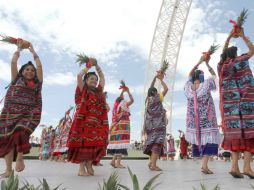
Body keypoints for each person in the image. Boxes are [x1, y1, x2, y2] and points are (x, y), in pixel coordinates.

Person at [0, 43, 43, 178]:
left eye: (32, 70)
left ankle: (20, 157)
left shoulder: (37, 83)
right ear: (21, 72)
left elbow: (40, 66)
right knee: (8, 140)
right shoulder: (16, 79)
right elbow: (13, 62)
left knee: (20, 131)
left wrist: (33, 52)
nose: (29, 71)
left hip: (29, 113)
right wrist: (18, 49)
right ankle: (8, 170)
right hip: (10, 113)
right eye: (26, 70)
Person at [218, 28, 254, 178]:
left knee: (235, 137)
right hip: (245, 105)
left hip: (230, 109)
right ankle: (246, 167)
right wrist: (243, 36)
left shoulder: (222, 66)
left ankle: (234, 167)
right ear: (235, 54)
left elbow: (223, 51)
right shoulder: (240, 61)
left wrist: (229, 36)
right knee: (250, 137)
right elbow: (252, 51)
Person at [67, 58, 108, 176]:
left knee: (95, 144)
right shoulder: (82, 89)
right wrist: (89, 66)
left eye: (95, 80)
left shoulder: (99, 91)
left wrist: (98, 67)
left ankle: (89, 165)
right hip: (83, 123)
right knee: (82, 144)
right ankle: (81, 168)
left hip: (97, 123)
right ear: (86, 81)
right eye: (91, 79)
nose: (94, 81)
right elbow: (79, 75)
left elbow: (103, 79)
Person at [184, 55, 220, 174]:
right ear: (201, 76)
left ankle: (204, 165)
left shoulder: (188, 88)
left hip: (194, 121)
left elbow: (189, 74)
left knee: (203, 141)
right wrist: (207, 64)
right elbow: (215, 76)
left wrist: (198, 62)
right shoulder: (206, 85)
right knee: (210, 141)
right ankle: (204, 166)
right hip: (207, 119)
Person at [143, 73, 168, 171]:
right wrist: (161, 80)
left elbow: (150, 88)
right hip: (158, 126)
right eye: (157, 92)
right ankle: (153, 165)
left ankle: (151, 163)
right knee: (157, 144)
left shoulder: (147, 100)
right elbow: (166, 89)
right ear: (155, 93)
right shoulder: (158, 98)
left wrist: (154, 78)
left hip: (149, 126)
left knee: (153, 143)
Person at [107, 87, 134, 168]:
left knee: (119, 145)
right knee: (121, 144)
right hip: (122, 127)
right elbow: (132, 100)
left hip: (116, 128)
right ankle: (118, 163)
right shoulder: (123, 104)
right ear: (121, 101)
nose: (124, 100)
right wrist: (128, 91)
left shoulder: (116, 107)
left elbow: (120, 98)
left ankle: (113, 161)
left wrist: (123, 91)